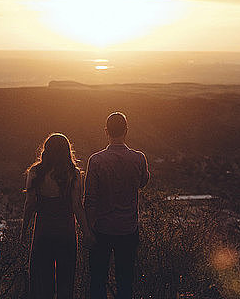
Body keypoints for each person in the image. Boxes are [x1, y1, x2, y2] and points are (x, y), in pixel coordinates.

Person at [84, 112, 150, 299]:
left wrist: (89, 231)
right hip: (128, 229)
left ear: (106, 131)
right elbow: (143, 182)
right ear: (126, 131)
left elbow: (89, 199)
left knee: (97, 281)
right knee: (125, 281)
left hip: (101, 230)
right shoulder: (139, 158)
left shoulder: (96, 161)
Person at [21, 133, 95, 299]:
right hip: (66, 235)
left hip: (42, 234)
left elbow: (29, 204)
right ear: (67, 151)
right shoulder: (73, 174)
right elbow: (77, 206)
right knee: (65, 283)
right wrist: (87, 233)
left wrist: (23, 230)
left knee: (42, 284)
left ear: (46, 150)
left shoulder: (35, 172)